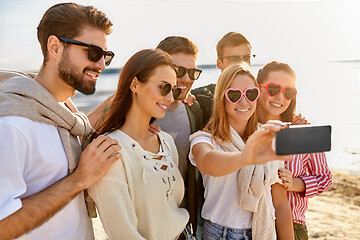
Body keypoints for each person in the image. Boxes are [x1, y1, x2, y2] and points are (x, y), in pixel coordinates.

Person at [0, 3, 121, 239]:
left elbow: (81, 123)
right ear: (55, 47)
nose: (102, 65)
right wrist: (79, 180)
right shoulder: (12, 124)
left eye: (106, 56)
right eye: (93, 53)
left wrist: (128, 99)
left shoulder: (62, 112)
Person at [87, 36, 212, 236]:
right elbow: (124, 234)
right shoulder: (111, 152)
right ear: (134, 85)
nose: (170, 97)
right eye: (164, 88)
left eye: (171, 89)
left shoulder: (165, 141)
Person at [189, 64, 294, 240]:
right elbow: (207, 163)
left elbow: (280, 204)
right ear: (222, 97)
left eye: (251, 94)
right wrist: (245, 157)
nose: (244, 101)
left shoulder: (266, 137)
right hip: (219, 235)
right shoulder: (205, 139)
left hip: (261, 231)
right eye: (234, 95)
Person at [256, 61, 333, 240]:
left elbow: (325, 179)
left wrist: (294, 183)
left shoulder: (302, 130)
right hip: (250, 225)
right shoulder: (245, 128)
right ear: (258, 88)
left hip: (293, 225)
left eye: (288, 92)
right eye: (273, 89)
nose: (280, 97)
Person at [191, 31, 254, 97]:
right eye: (234, 59)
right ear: (219, 63)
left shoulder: (259, 95)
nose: (241, 64)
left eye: (246, 58)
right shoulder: (201, 97)